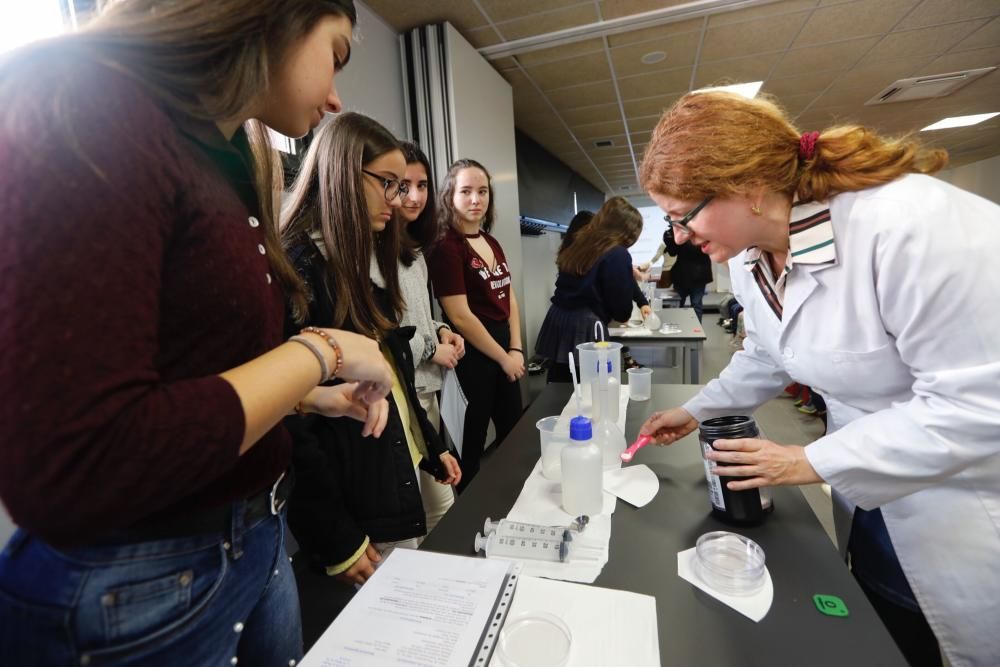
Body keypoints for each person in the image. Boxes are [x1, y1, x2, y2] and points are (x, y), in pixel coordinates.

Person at [0, 2, 398, 664]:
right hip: (142, 584)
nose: (334, 97)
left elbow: (196, 372)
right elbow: (81, 456)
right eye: (336, 54)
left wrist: (312, 397)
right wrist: (322, 351)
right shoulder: (89, 103)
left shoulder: (228, 156)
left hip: (252, 541)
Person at [637, 91, 1000, 667]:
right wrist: (695, 410)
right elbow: (768, 355)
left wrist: (806, 462)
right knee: (890, 629)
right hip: (875, 494)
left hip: (965, 499)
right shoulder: (754, 257)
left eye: (685, 215)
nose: (678, 235)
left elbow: (979, 405)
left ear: (750, 184)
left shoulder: (907, 224)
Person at [280, 114, 461, 586]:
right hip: (352, 493)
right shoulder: (299, 268)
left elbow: (395, 374)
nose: (400, 200)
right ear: (342, 174)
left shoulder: (363, 257)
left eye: (402, 186)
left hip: (389, 461)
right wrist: (336, 535)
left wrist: (429, 445)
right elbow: (289, 426)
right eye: (388, 183)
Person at [428, 159, 524, 492]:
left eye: (482, 191)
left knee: (514, 432)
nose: (475, 199)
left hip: (503, 348)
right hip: (474, 353)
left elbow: (509, 298)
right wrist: (503, 357)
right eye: (465, 191)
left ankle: (514, 500)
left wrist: (516, 347)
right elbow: (460, 316)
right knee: (471, 445)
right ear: (449, 196)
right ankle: (467, 525)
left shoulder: (492, 242)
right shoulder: (446, 248)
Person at [535, 197, 644, 382]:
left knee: (561, 378)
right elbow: (622, 311)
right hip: (586, 325)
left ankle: (558, 411)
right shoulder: (616, 253)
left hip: (559, 316)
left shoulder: (581, 243)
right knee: (594, 383)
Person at [639, 223, 714, 321]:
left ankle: (696, 333)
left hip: (695, 276)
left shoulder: (700, 232)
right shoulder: (678, 234)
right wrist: (671, 237)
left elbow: (705, 249)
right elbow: (672, 251)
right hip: (684, 276)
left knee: (694, 305)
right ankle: (683, 329)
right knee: (685, 305)